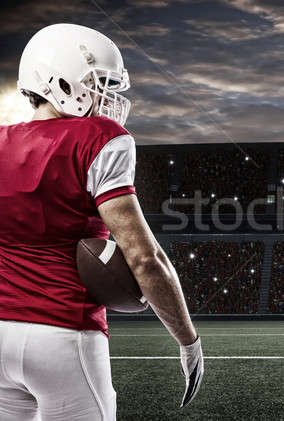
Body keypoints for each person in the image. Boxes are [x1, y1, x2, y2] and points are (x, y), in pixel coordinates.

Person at [0, 23, 203, 420]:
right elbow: (145, 259)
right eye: (98, 83)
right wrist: (188, 339)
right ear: (59, 80)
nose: (106, 96)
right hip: (63, 332)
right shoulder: (97, 137)